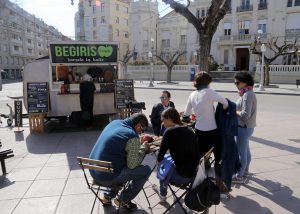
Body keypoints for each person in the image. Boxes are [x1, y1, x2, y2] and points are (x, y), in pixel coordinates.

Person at [89, 113, 152, 211]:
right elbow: (133, 165)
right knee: (146, 170)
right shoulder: (132, 135)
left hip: (94, 171)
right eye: (141, 130)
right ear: (138, 125)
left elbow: (120, 140)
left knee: (118, 162)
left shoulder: (115, 123)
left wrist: (136, 142)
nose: (141, 133)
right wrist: (143, 147)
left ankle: (108, 196)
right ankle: (123, 200)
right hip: (106, 177)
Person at [183, 72, 228, 178]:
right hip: (212, 131)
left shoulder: (192, 94)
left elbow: (186, 115)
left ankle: (200, 179)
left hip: (199, 130)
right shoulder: (209, 92)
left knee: (201, 156)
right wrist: (221, 112)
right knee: (218, 156)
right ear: (208, 82)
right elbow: (225, 102)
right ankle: (219, 181)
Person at [153, 108, 201, 202]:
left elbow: (161, 154)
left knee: (162, 167)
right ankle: (167, 191)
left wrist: (158, 162)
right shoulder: (189, 129)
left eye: (164, 120)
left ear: (170, 119)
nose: (162, 123)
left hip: (183, 177)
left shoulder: (169, 132)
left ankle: (163, 195)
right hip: (195, 173)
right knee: (169, 161)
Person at [232, 71, 257, 183]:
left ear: (245, 82)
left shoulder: (247, 95)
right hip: (246, 127)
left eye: (237, 82)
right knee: (246, 151)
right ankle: (245, 171)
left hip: (243, 127)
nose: (236, 84)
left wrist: (235, 111)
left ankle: (240, 175)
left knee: (241, 153)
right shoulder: (247, 93)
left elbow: (245, 115)